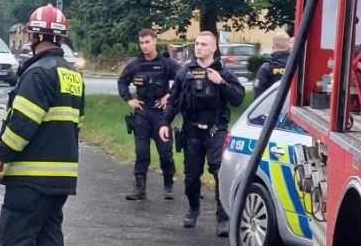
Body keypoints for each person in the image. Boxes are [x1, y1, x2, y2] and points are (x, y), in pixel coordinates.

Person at [0, 4, 83, 246]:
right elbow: (76, 123)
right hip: (61, 176)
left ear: (34, 34)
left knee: (17, 234)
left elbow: (22, 124)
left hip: (31, 175)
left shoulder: (37, 73)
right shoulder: (71, 74)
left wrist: (1, 154)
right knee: (49, 237)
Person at [160, 31, 245, 235]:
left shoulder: (222, 72)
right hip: (191, 130)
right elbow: (173, 100)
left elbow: (238, 98)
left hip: (216, 129)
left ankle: (223, 217)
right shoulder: (185, 72)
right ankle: (193, 210)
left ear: (213, 48)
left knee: (219, 172)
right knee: (191, 176)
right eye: (197, 44)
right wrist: (165, 123)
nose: (199, 47)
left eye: (204, 44)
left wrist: (221, 83)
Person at [116, 28, 181, 200]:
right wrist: (129, 100)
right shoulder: (135, 65)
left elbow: (183, 78)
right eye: (141, 43)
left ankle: (168, 185)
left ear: (154, 41)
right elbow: (122, 82)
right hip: (142, 113)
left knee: (165, 153)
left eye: (147, 42)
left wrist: (169, 96)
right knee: (141, 153)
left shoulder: (166, 63)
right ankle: (139, 188)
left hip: (161, 114)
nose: (144, 46)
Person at [254, 32, 292, 96]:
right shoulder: (296, 66)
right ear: (289, 47)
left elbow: (258, 91)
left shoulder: (266, 67)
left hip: (272, 104)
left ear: (273, 46)